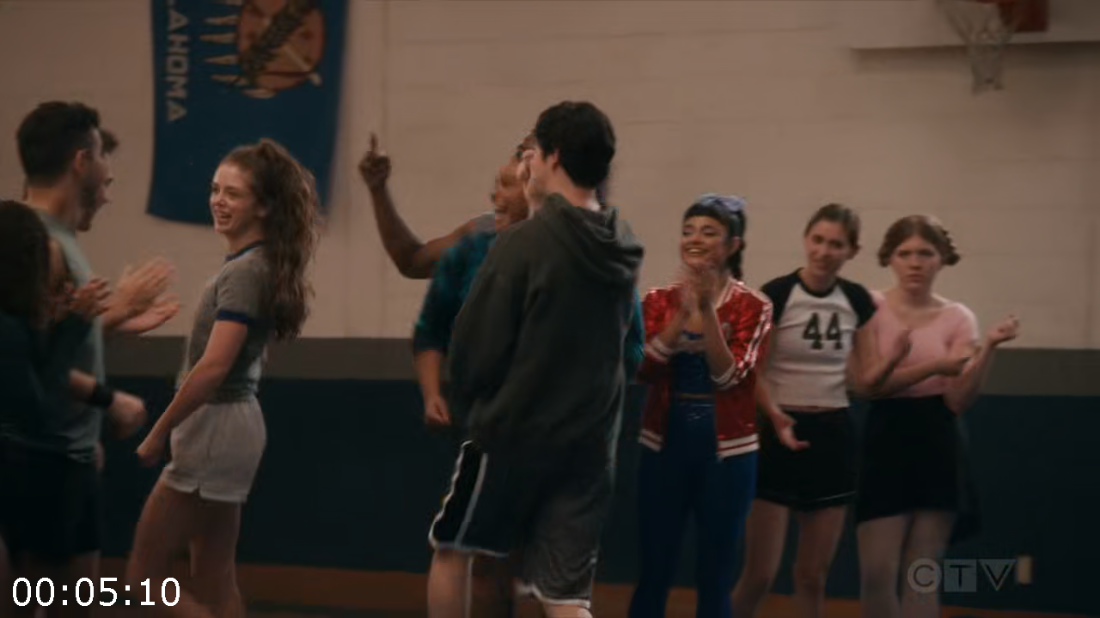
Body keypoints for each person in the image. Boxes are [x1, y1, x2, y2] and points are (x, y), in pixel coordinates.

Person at [426, 101, 642, 618]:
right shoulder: (621, 244)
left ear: (554, 157)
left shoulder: (523, 244)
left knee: (453, 551)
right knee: (565, 597)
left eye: (534, 152)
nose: (528, 163)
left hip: (512, 435)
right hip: (590, 447)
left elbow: (473, 351)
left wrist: (477, 406)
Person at [124, 139, 320, 618]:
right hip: (233, 427)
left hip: (215, 429)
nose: (218, 201)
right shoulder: (257, 266)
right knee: (215, 578)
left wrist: (159, 431)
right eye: (215, 189)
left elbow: (213, 367)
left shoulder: (246, 272)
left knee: (141, 580)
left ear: (264, 206)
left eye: (233, 193)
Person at [730, 204, 909, 617]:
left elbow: (863, 382)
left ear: (852, 250)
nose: (824, 251)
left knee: (813, 574)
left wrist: (894, 359)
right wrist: (775, 415)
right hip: (779, 431)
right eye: (818, 240)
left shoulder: (856, 300)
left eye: (836, 244)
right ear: (806, 239)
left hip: (832, 434)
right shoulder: (777, 294)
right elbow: (754, 373)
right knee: (759, 573)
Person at [851, 215, 1018, 618]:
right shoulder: (869, 306)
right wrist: (934, 367)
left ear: (941, 258)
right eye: (905, 253)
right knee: (876, 572)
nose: (915, 263)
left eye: (925, 253)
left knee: (922, 573)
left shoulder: (958, 317)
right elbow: (868, 386)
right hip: (885, 434)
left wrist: (989, 348)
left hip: (938, 439)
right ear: (890, 258)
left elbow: (957, 400)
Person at [0, 200, 147, 618]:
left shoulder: (17, 325)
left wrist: (97, 323)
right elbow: (38, 408)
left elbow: (45, 370)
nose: (58, 295)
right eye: (50, 282)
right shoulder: (8, 329)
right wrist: (76, 326)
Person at [626, 193, 771, 618]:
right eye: (688, 230)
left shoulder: (754, 306)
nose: (695, 239)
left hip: (728, 453)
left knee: (715, 574)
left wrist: (706, 311)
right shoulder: (657, 300)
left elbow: (728, 377)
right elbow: (642, 369)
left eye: (709, 232)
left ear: (732, 245)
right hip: (664, 443)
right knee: (654, 568)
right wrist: (680, 315)